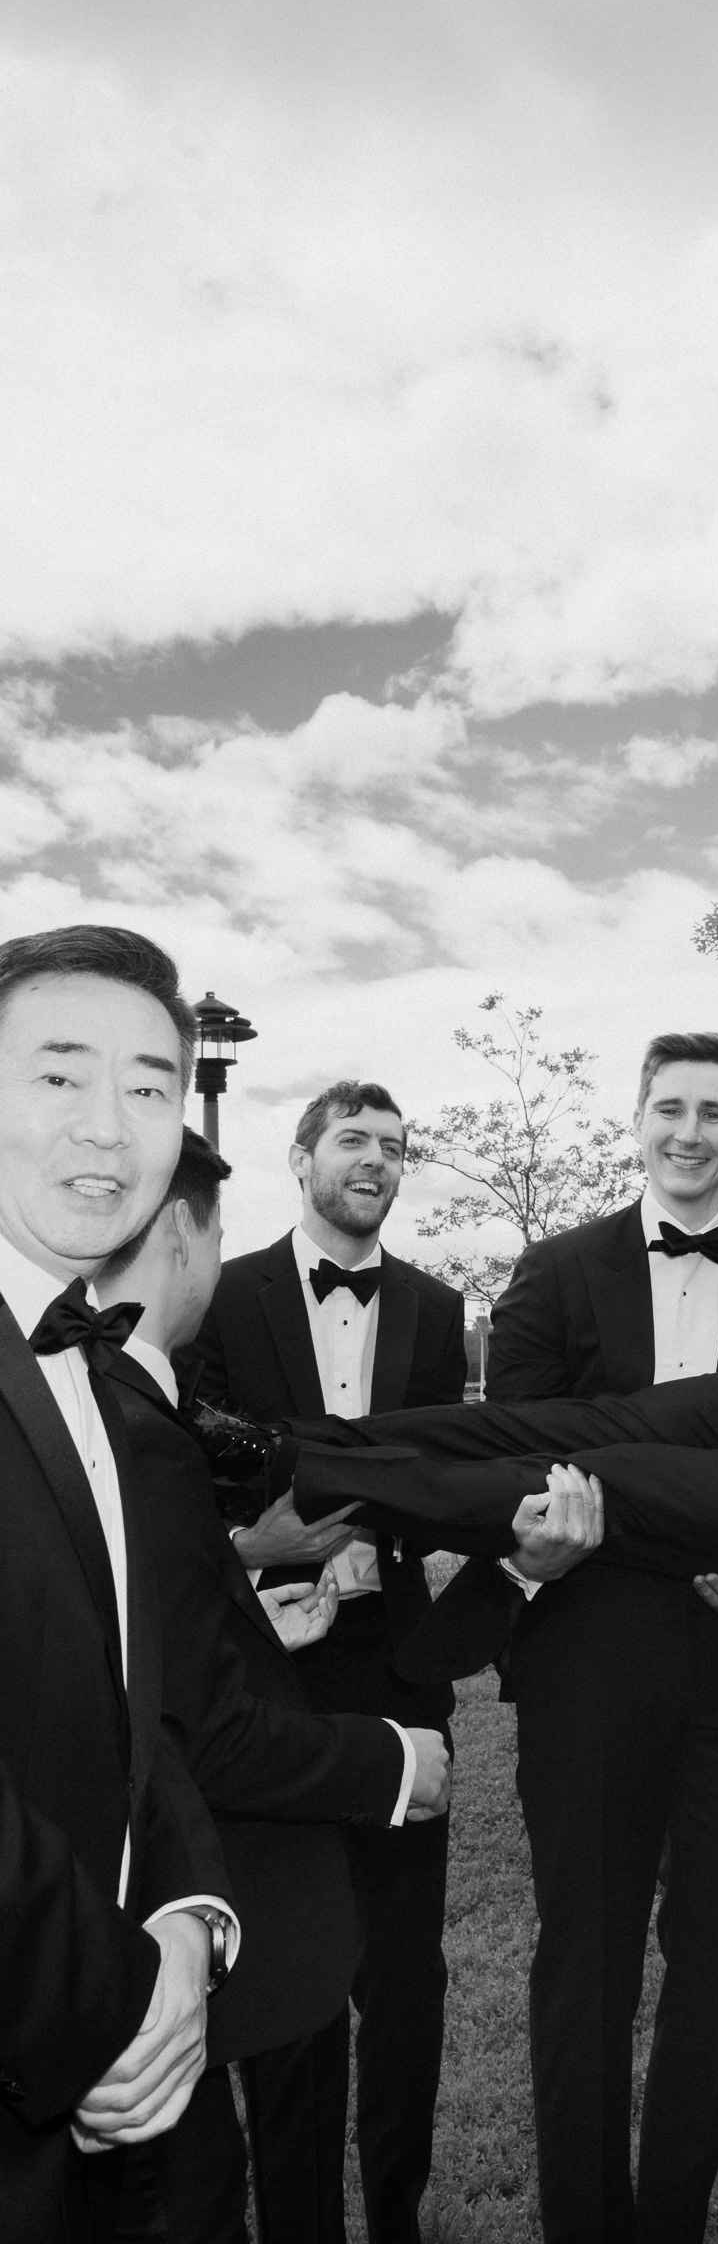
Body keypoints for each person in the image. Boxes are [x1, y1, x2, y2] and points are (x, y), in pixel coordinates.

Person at [480, 1030, 718, 2244]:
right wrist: (541, 1538)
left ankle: (671, 2218)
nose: (691, 1133)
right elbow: (511, 1454)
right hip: (589, 1658)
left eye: (715, 1113)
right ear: (637, 1120)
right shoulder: (554, 1269)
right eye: (670, 1109)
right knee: (588, 1958)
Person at [99, 1127, 452, 2243]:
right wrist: (393, 1762)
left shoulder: (437, 1310)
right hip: (234, 1790)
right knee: (209, 2160)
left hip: (375, 1665)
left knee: (389, 1992)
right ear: (184, 1229)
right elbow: (200, 1717)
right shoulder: (143, 1409)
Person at [0, 924, 237, 2244]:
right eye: (57, 1075)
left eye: (151, 1087)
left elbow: (132, 1708)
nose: (108, 1126)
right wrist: (118, 1999)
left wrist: (190, 1924)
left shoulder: (96, 1370)